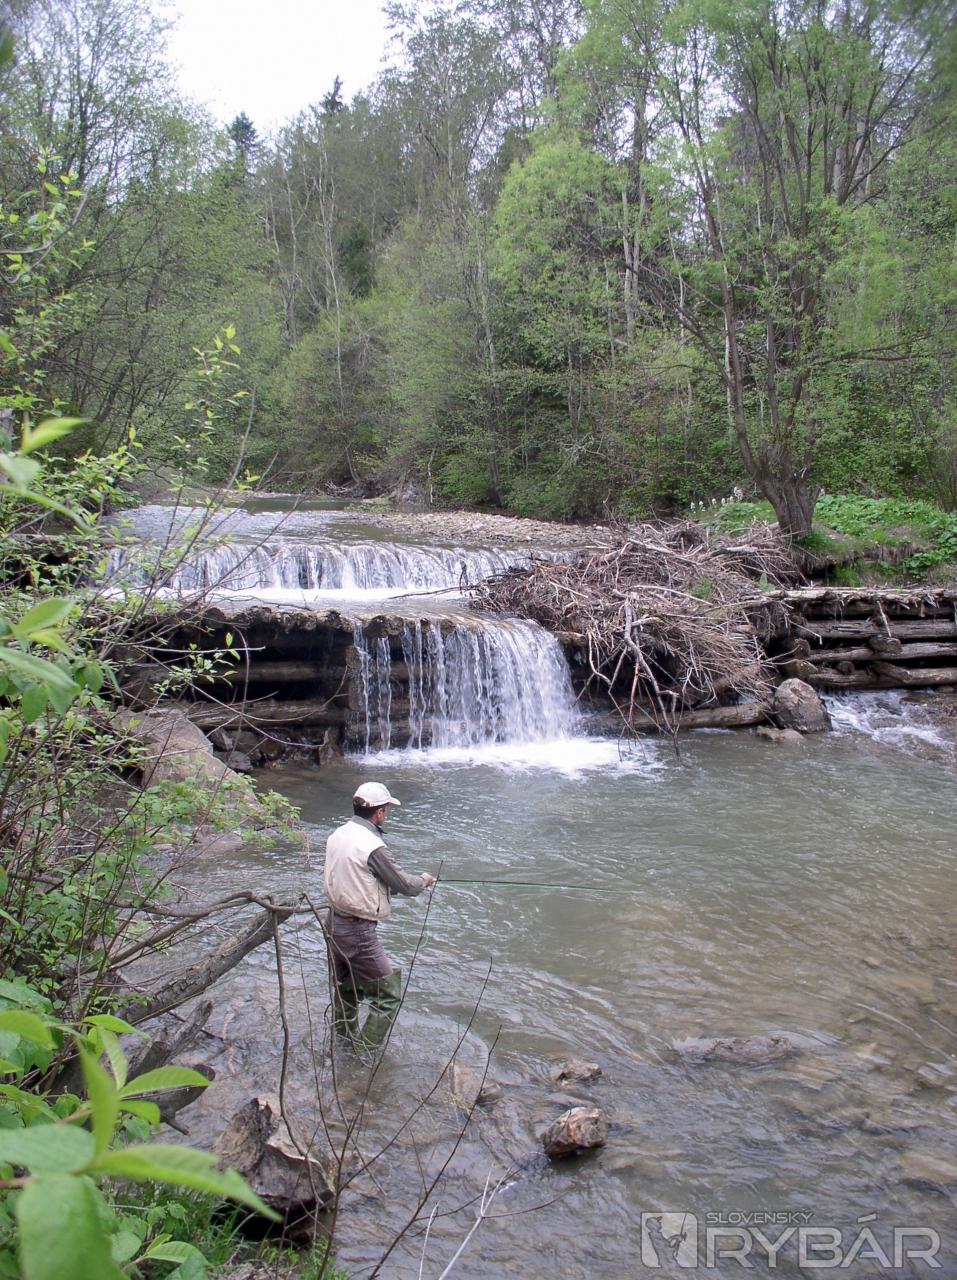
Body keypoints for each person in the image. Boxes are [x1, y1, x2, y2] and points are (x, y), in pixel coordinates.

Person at [324, 781, 436, 1050]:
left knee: (347, 990)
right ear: (379, 812)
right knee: (388, 997)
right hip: (358, 931)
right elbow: (405, 885)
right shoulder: (372, 846)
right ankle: (364, 1053)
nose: (387, 814)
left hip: (333, 923)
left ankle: (342, 1046)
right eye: (386, 809)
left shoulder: (338, 834)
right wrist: (424, 880)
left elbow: (358, 877)